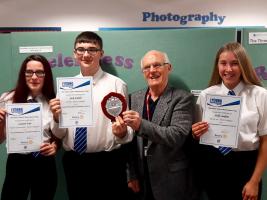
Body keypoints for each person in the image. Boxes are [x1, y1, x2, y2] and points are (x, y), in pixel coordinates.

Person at [49, 31, 133, 200]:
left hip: (108, 163)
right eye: (81, 49)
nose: (86, 54)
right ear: (74, 54)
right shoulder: (65, 87)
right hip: (75, 162)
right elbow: (59, 134)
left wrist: (122, 132)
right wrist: (57, 119)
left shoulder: (117, 85)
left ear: (100, 53)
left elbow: (127, 131)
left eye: (92, 49)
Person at [192, 42, 267, 200]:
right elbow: (200, 138)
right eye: (223, 63)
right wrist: (196, 133)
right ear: (217, 65)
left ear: (243, 65)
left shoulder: (260, 95)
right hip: (214, 164)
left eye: (235, 63)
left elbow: (265, 141)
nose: (228, 69)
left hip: (247, 166)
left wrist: (254, 181)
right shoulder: (206, 95)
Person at [123, 50, 198, 200]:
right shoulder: (133, 98)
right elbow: (129, 143)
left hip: (171, 180)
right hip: (141, 179)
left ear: (168, 67)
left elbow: (176, 136)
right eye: (147, 67)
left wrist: (140, 125)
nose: (152, 71)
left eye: (157, 65)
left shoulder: (183, 98)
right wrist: (131, 174)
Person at [0, 54, 64, 200]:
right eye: (29, 72)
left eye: (39, 72)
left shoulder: (54, 102)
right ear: (23, 74)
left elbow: (59, 136)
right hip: (17, 162)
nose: (34, 77)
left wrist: (55, 146)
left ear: (46, 75)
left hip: (44, 162)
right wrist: (1, 122)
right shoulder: (7, 99)